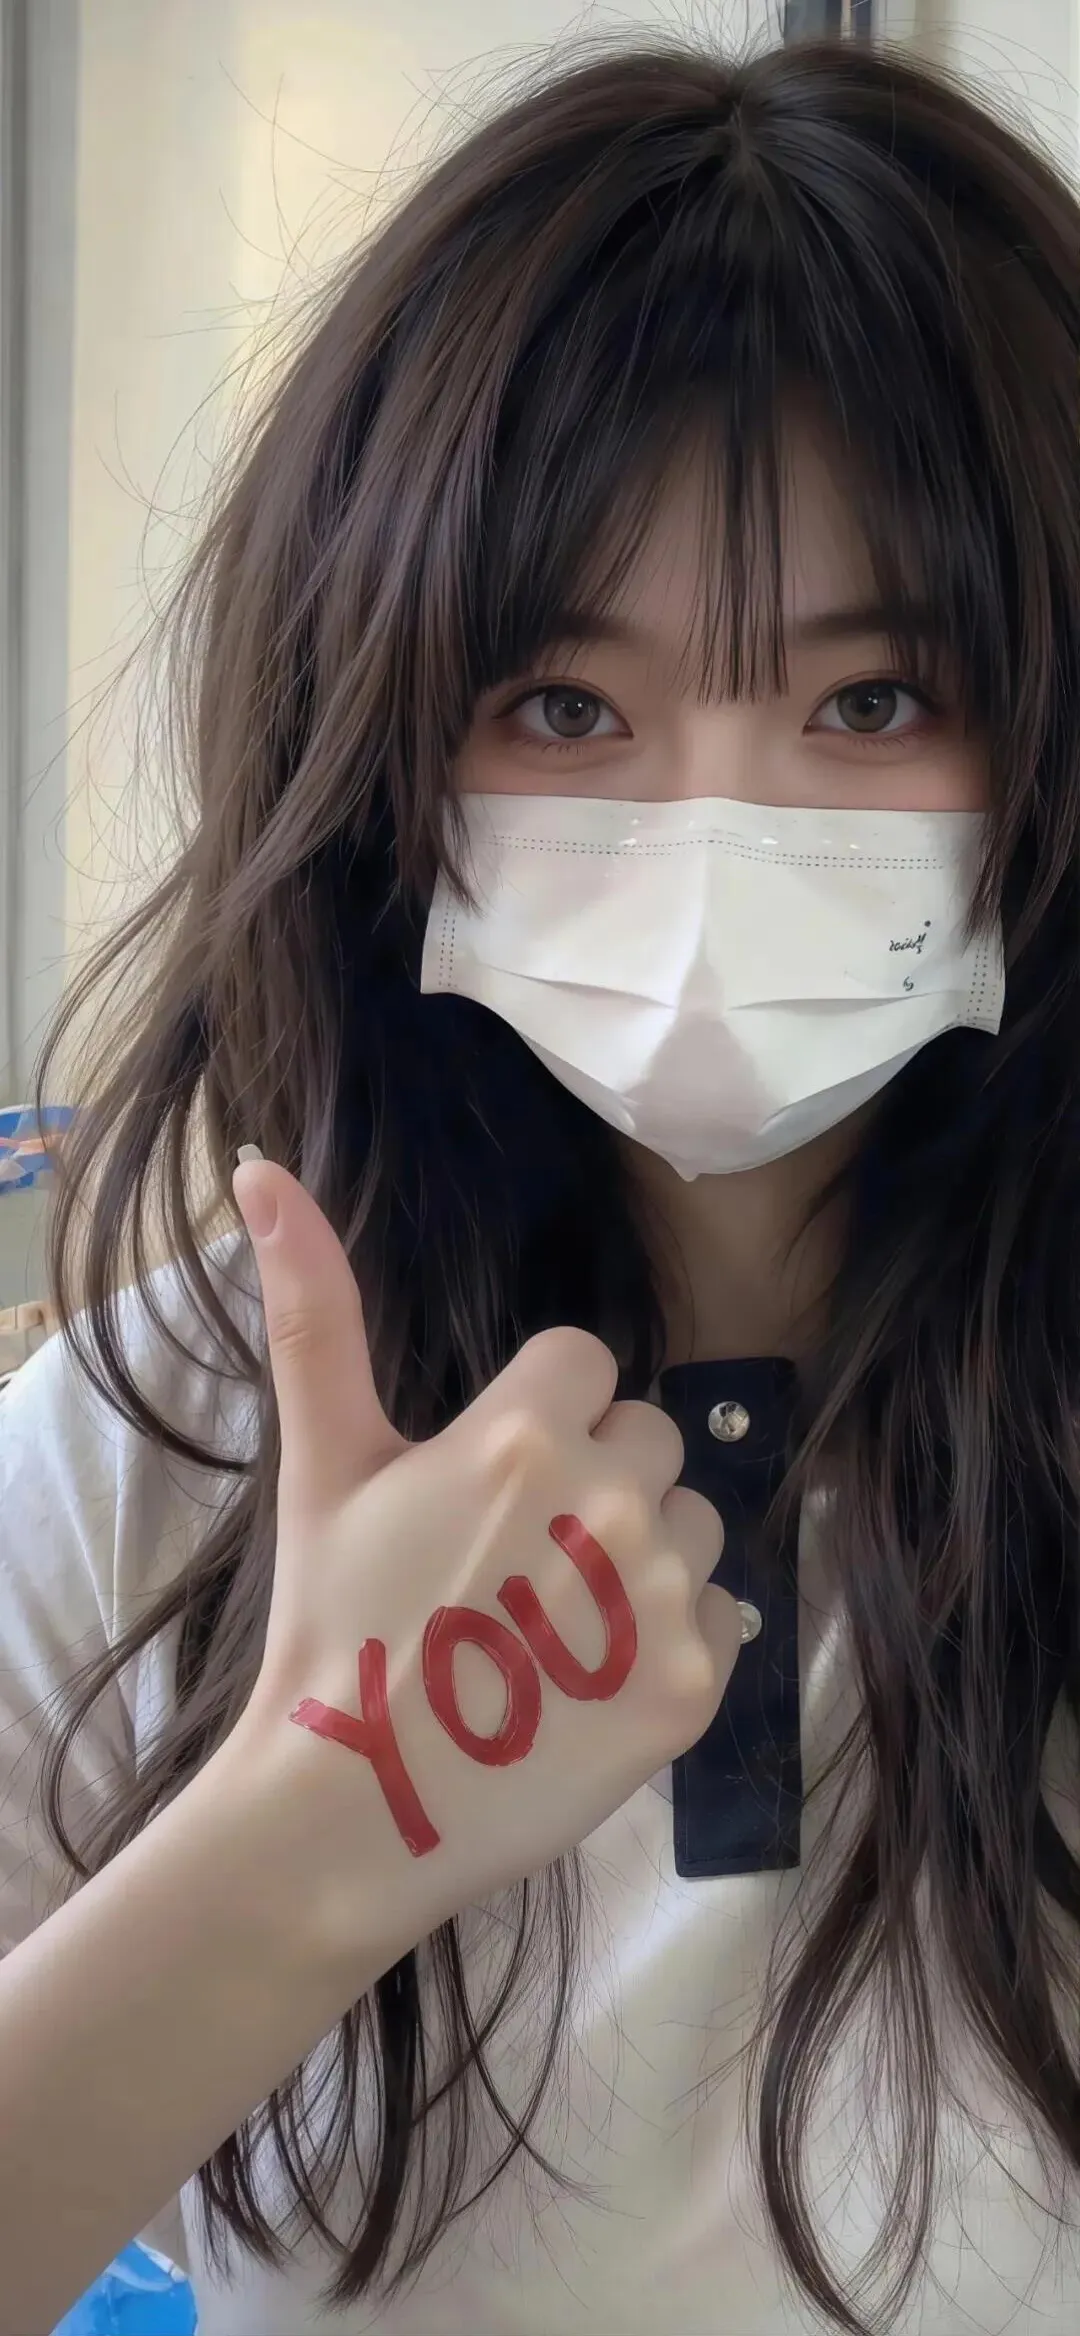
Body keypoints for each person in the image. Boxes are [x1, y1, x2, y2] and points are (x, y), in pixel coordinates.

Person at [1, 29, 1078, 2336]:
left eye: (873, 703)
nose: (714, 840)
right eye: (567, 710)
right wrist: (305, 1838)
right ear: (378, 749)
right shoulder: (149, 1449)